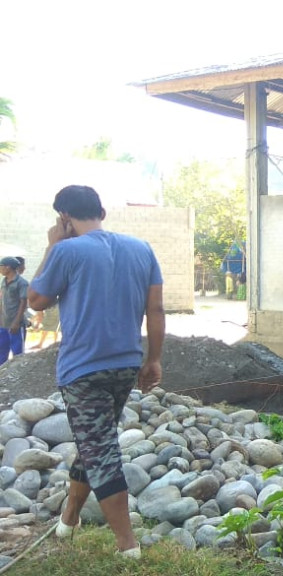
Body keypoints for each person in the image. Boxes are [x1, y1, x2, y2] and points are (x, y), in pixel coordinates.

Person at [27, 185, 164, 558]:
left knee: (99, 450)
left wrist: (52, 245)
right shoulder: (141, 248)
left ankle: (127, 547)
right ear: (101, 211)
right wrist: (154, 359)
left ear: (65, 218)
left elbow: (36, 299)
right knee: (95, 444)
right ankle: (69, 519)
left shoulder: (67, 250)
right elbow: (156, 310)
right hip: (125, 365)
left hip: (82, 370)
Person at [0, 256, 28, 364]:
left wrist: (16, 322)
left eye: (1, 266)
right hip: (3, 323)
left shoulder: (21, 283)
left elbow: (23, 303)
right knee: (2, 350)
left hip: (15, 323)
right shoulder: (3, 281)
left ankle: (18, 377)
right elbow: (2, 299)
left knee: (17, 353)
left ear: (8, 267)